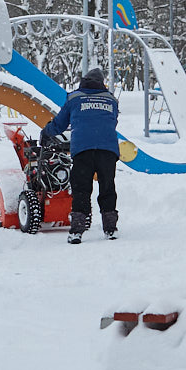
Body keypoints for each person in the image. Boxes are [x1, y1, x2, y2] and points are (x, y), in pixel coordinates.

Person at [41, 67, 120, 244]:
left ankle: (77, 230)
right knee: (107, 187)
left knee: (81, 189)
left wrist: (46, 132)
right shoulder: (111, 100)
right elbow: (113, 120)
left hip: (83, 148)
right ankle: (110, 228)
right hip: (108, 149)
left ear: (84, 81)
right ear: (102, 83)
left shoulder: (74, 98)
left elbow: (60, 124)